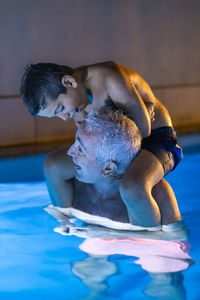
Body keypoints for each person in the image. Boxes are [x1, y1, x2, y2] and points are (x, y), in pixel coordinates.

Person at [20, 61, 183, 228]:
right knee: (53, 166)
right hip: (116, 146)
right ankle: (68, 222)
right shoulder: (77, 103)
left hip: (156, 140)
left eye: (60, 108)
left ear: (69, 82)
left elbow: (143, 128)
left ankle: (149, 234)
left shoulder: (109, 78)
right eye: (56, 115)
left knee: (133, 186)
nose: (64, 117)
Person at [46, 109, 181, 231]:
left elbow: (174, 242)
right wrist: (62, 221)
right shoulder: (71, 184)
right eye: (74, 142)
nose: (70, 152)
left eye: (80, 150)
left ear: (108, 168)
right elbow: (59, 214)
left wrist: (99, 236)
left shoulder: (157, 194)